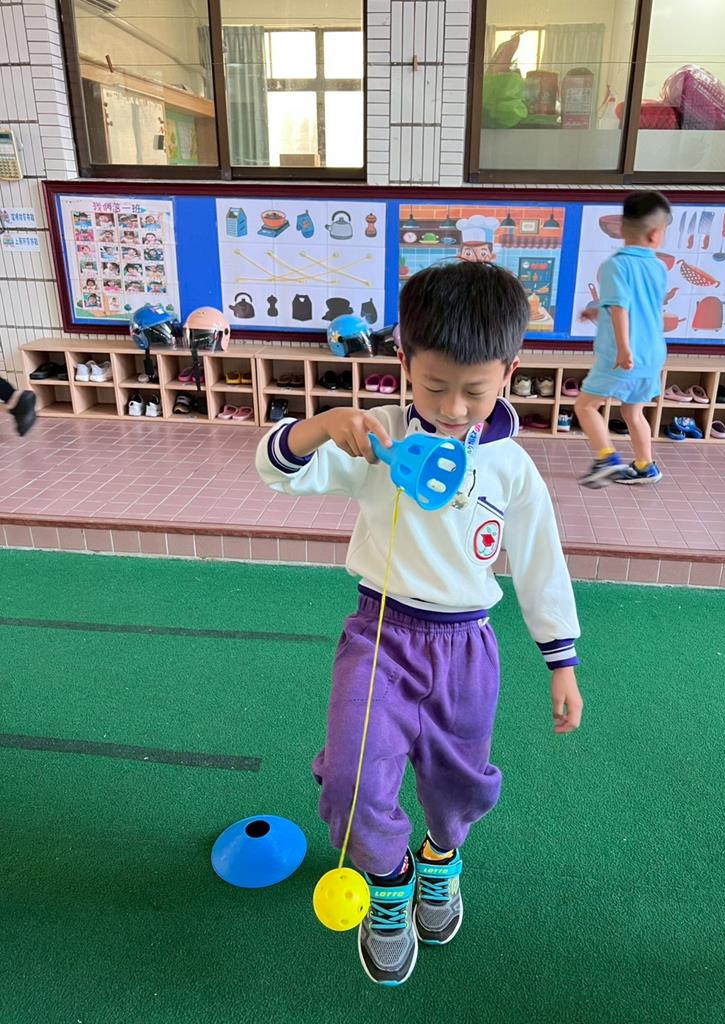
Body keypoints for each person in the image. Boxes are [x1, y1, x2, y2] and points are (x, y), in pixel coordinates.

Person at [255, 261, 583, 987]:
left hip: (467, 647)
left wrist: (561, 661)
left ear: (510, 371)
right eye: (434, 386)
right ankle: (389, 879)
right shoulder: (374, 438)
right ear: (403, 360)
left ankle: (440, 858)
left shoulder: (511, 468)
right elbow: (278, 470)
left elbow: (541, 563)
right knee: (350, 779)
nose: (454, 407)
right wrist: (322, 426)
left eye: (475, 389)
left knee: (458, 784)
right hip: (379, 636)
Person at [575, 191, 671, 487]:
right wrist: (596, 312)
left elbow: (621, 307)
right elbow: (638, 307)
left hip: (623, 354)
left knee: (585, 406)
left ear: (620, 228)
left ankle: (606, 459)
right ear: (655, 235)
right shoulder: (658, 267)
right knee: (633, 411)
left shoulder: (615, 265)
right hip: (652, 353)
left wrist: (624, 348)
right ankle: (645, 466)